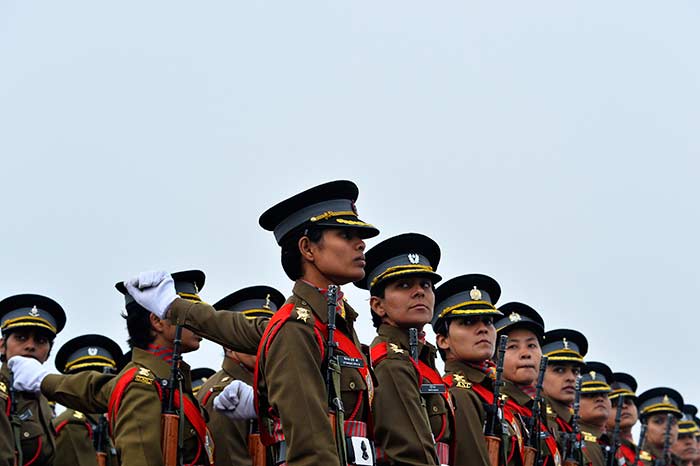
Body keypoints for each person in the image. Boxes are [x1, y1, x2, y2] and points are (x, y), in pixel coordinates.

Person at [124, 180, 379, 466]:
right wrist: (169, 307)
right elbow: (312, 452)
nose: (360, 243)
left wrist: (173, 306)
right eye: (345, 235)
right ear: (307, 248)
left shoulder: (331, 321)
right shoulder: (298, 327)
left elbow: (234, 327)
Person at [355, 232, 452, 466]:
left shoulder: (420, 357)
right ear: (378, 305)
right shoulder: (390, 361)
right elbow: (410, 455)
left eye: (426, 285)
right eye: (404, 285)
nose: (419, 292)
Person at [197, 285, 285, 466]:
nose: (262, 345)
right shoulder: (224, 394)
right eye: (251, 338)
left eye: (267, 337)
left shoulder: (272, 386)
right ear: (229, 343)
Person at [433, 273, 504, 466]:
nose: (483, 329)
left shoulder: (487, 387)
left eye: (488, 321)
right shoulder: (460, 392)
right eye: (468, 322)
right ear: (443, 340)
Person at [0, 293, 66, 466]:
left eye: (41, 340)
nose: (30, 345)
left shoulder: (41, 397)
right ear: (2, 346)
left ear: (48, 352)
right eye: (21, 337)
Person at [494, 302, 561, 466]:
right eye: (512, 346)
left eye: (531, 345)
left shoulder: (542, 410)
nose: (525, 354)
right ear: (494, 357)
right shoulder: (493, 405)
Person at [52, 334, 123, 466]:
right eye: (88, 382)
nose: (94, 387)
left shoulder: (106, 423)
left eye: (100, 381)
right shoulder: (72, 424)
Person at [540, 328, 590, 465]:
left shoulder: (571, 422)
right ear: (539, 372)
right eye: (559, 370)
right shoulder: (539, 418)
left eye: (575, 371)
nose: (571, 378)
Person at [637, 387, 684, 466]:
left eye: (672, 422)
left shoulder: (678, 463)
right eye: (658, 421)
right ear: (644, 428)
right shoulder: (631, 460)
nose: (667, 426)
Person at [577, 361, 613, 466]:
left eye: (604, 394)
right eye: (589, 395)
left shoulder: (611, 442)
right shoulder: (573, 439)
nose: (599, 399)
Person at [605, 372, 641, 466]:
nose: (624, 406)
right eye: (614, 404)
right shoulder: (602, 447)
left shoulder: (642, 453)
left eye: (628, 402)